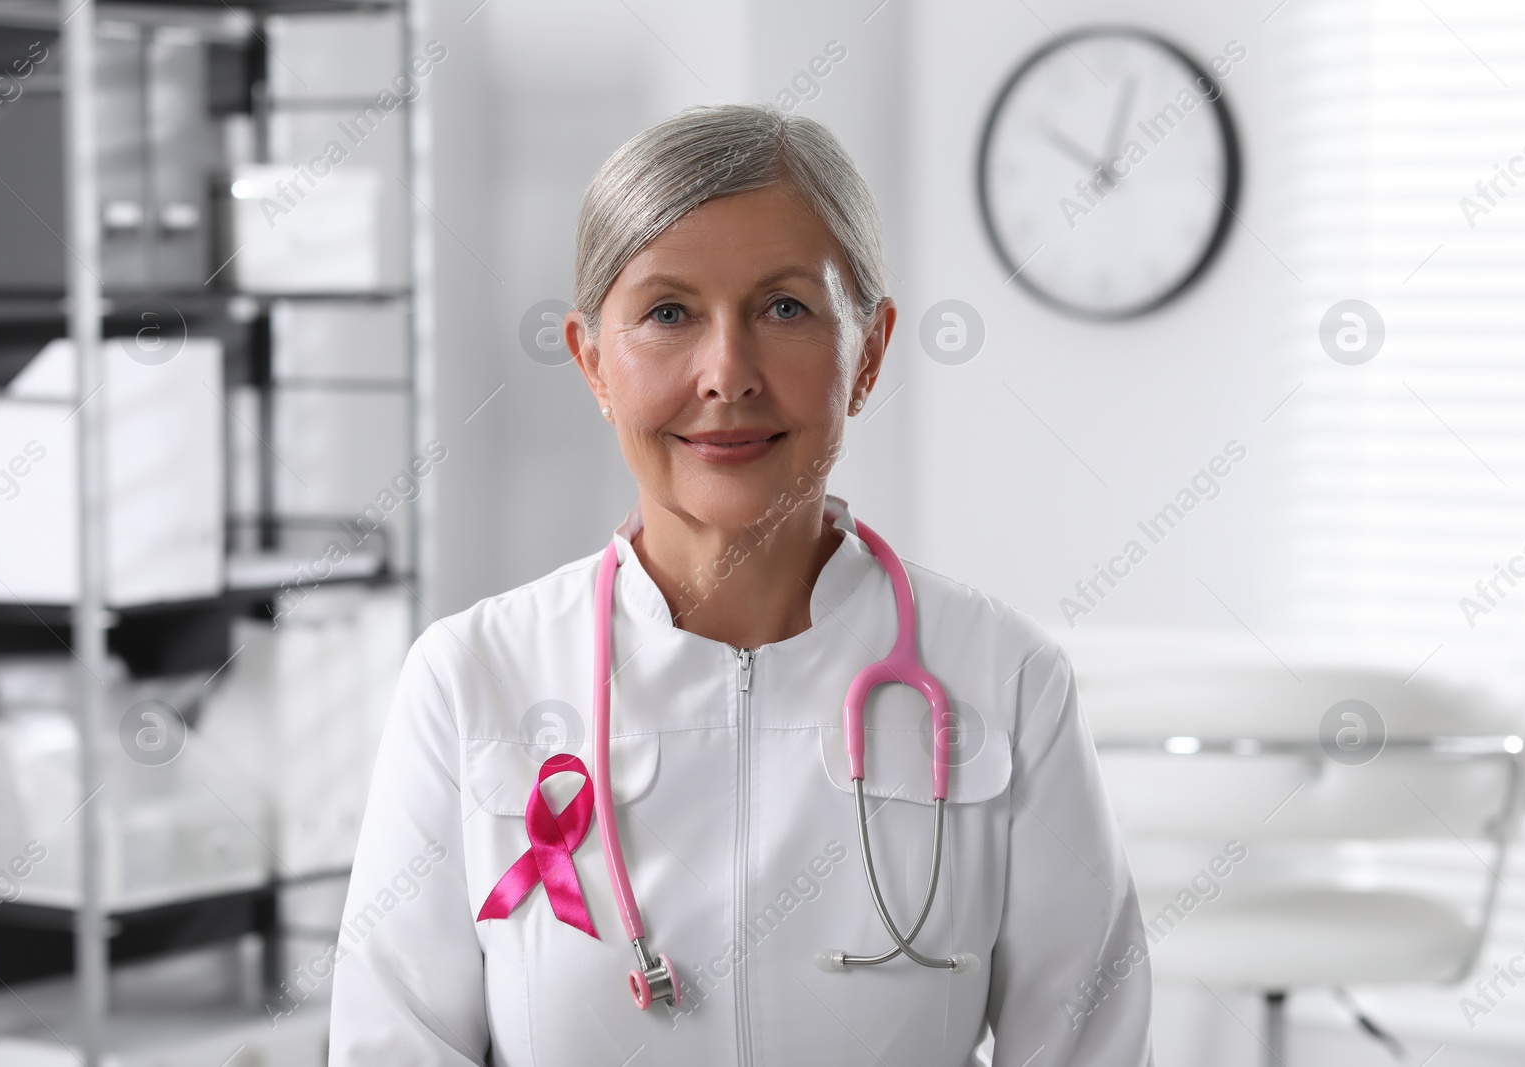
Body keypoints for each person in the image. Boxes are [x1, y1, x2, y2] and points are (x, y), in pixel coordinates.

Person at [329, 101, 1153, 1065]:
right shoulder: (471, 677)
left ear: (870, 353)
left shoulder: (1007, 678)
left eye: (786, 308)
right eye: (669, 313)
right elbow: (396, 1044)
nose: (728, 373)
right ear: (593, 360)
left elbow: (1086, 1044)